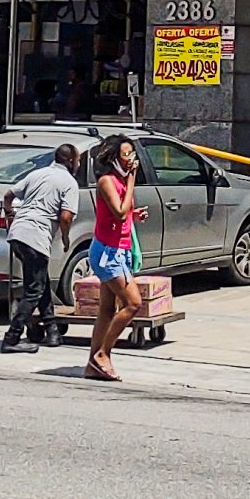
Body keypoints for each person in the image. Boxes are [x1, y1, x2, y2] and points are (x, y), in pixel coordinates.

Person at [0, 143, 81, 353]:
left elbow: (8, 196)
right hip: (36, 237)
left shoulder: (37, 174)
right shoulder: (69, 183)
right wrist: (64, 238)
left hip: (18, 234)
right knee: (34, 290)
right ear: (70, 161)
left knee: (41, 282)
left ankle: (52, 330)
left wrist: (10, 215)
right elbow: (65, 216)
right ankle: (12, 338)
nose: (78, 164)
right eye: (78, 160)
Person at [84, 135, 148, 382]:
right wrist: (132, 179)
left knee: (108, 308)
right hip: (107, 253)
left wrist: (136, 215)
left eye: (133, 154)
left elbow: (124, 214)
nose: (132, 159)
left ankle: (93, 363)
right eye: (126, 154)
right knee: (133, 303)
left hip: (119, 250)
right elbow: (119, 212)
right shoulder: (107, 181)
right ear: (113, 159)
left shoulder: (119, 182)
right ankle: (103, 354)